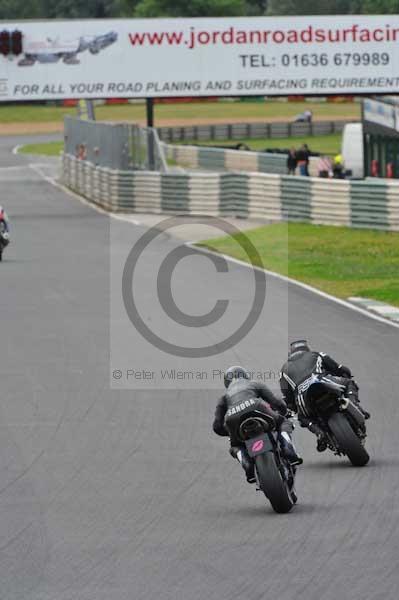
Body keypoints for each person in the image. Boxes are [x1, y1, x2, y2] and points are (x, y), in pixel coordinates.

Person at [213, 366, 302, 484]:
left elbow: (217, 426)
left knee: (236, 446)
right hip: (256, 407)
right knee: (283, 422)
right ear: (245, 375)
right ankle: (288, 449)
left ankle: (247, 464)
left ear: (227, 382)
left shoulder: (224, 398)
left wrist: (230, 432)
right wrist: (284, 412)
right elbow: (276, 402)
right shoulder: (254, 384)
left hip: (232, 417)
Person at [280, 340, 370, 452]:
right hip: (322, 380)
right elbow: (338, 368)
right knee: (349, 383)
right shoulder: (317, 354)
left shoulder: (284, 369)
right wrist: (345, 373)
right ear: (307, 348)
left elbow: (287, 396)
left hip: (302, 395)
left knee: (302, 417)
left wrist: (293, 407)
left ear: (291, 353)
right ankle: (355, 405)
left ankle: (319, 433)